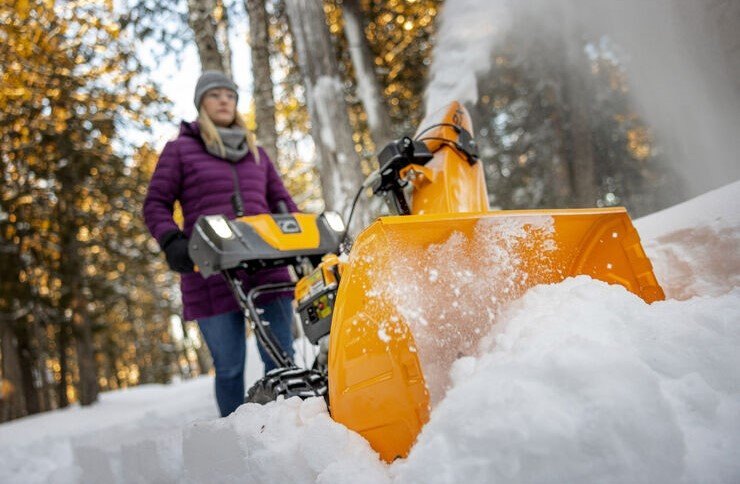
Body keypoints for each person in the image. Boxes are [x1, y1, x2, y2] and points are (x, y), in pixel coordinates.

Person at [143, 71, 297, 417]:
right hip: (210, 272)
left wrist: (309, 236)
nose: (224, 100)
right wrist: (172, 241)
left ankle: (287, 426)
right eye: (215, 95)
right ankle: (234, 433)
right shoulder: (180, 150)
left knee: (281, 358)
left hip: (267, 268)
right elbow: (155, 203)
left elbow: (284, 203)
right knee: (229, 367)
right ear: (201, 104)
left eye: (230, 95)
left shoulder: (257, 153)